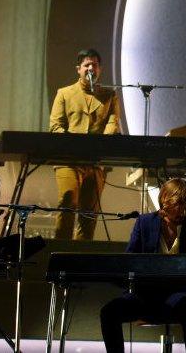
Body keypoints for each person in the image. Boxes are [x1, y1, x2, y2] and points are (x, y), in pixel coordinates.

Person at [100, 178, 186, 353]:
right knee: (108, 312)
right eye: (178, 204)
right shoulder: (144, 222)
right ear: (165, 202)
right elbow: (129, 260)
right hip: (144, 295)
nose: (183, 211)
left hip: (179, 295)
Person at [49, 48, 121, 240]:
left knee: (89, 215)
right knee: (68, 203)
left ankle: (79, 260)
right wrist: (72, 146)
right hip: (68, 161)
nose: (91, 68)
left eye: (95, 65)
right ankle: (59, 253)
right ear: (78, 69)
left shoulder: (109, 96)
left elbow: (113, 124)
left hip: (95, 163)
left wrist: (99, 147)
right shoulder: (64, 93)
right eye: (87, 65)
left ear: (100, 69)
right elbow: (56, 126)